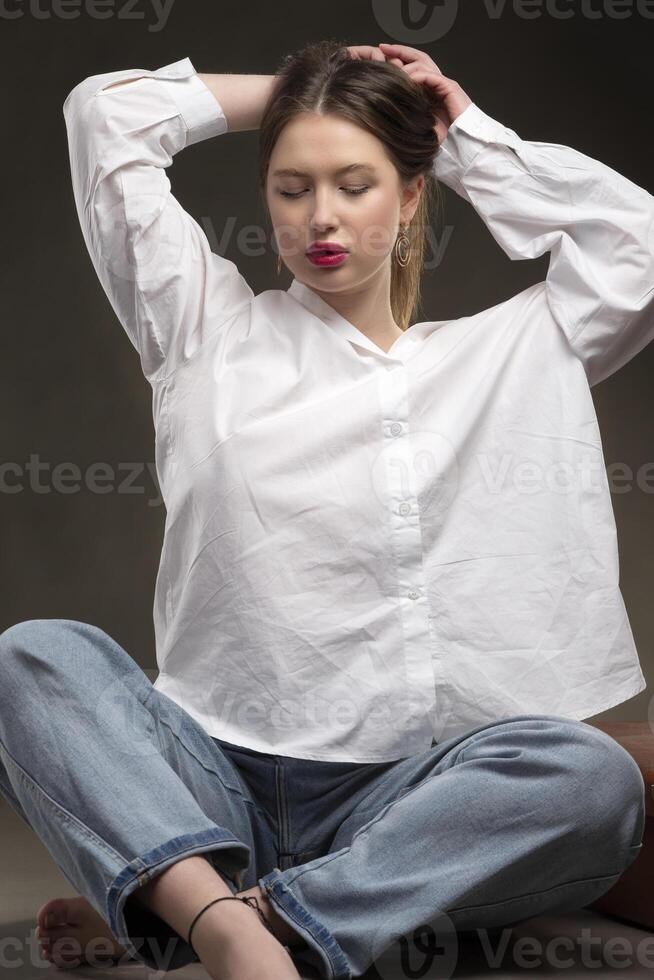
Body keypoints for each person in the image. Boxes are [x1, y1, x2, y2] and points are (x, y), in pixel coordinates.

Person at [1, 37, 651, 980]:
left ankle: (219, 908)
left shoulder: (518, 349)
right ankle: (233, 936)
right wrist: (309, 92)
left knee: (589, 779)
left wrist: (453, 129)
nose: (322, 218)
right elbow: (105, 115)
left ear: (414, 195)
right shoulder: (204, 334)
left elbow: (634, 239)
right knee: (33, 657)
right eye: (292, 187)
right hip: (211, 775)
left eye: (356, 182)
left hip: (406, 800)